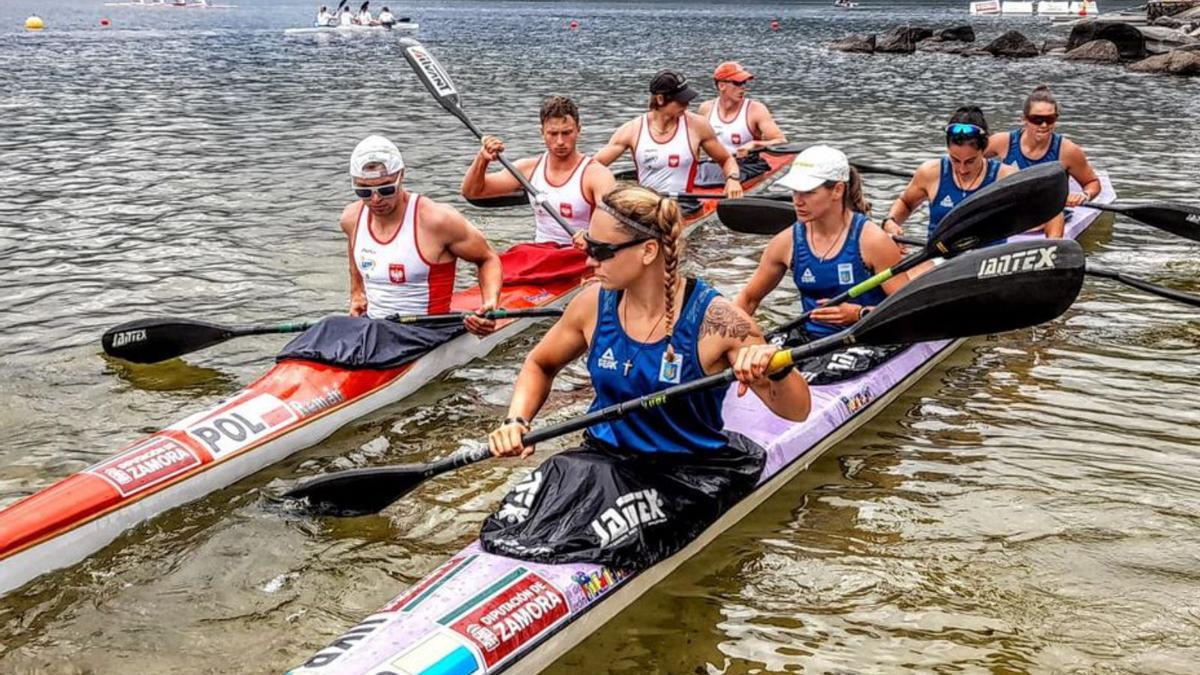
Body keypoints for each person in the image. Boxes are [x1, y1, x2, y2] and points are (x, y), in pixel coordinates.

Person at [479, 184, 810, 569]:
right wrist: (517, 421)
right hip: (599, 461)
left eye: (601, 251)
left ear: (648, 251)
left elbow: (797, 410)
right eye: (587, 245)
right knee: (526, 509)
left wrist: (775, 367)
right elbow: (540, 364)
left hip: (683, 472)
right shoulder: (590, 304)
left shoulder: (719, 322)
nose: (589, 261)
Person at [734, 146, 907, 341]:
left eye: (808, 192)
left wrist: (860, 314)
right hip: (811, 339)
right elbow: (748, 299)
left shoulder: (874, 242)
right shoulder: (785, 242)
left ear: (837, 190)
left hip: (866, 337)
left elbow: (909, 311)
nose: (797, 201)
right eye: (794, 191)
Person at [339, 135, 502, 336]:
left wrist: (490, 305)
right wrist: (357, 293)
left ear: (402, 176)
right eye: (364, 191)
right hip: (375, 328)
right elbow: (354, 248)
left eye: (386, 188)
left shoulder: (438, 220)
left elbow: (487, 258)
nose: (375, 199)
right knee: (327, 328)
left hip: (426, 332)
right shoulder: (351, 218)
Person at [461, 96, 616, 248]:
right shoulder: (527, 169)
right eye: (553, 134)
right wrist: (482, 159)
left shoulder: (597, 175)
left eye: (567, 133)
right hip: (542, 253)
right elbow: (472, 192)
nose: (560, 141)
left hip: (581, 256)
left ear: (578, 131)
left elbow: (614, 225)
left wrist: (591, 238)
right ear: (542, 132)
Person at [880, 106, 1030, 239]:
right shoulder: (930, 172)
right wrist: (890, 222)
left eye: (970, 161)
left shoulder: (1007, 177)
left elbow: (1044, 211)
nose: (962, 169)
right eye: (955, 160)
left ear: (984, 150)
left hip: (988, 262)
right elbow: (906, 202)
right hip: (939, 259)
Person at [593, 70, 744, 199]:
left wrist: (733, 179)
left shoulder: (698, 126)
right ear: (660, 99)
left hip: (684, 205)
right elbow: (594, 166)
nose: (687, 105)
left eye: (687, 100)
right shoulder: (632, 130)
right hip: (647, 208)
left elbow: (726, 160)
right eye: (681, 101)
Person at [986, 84, 1102, 218]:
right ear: (1024, 119)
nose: (1044, 125)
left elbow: (1092, 183)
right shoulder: (1002, 141)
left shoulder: (1068, 151)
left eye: (1050, 119)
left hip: (1048, 215)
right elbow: (968, 160)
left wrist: (1084, 195)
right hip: (1011, 211)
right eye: (1037, 119)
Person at [696, 61, 786, 158]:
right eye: (738, 83)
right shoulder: (706, 108)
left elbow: (781, 142)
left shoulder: (756, 109)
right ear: (721, 86)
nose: (743, 88)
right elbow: (696, 142)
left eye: (744, 83)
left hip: (747, 165)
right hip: (714, 165)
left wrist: (755, 144)